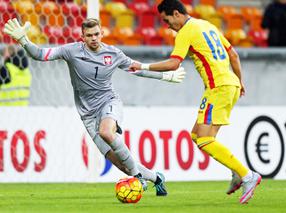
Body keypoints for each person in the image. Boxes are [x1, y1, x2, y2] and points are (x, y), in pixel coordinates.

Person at [3, 18, 186, 196]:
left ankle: (138, 178)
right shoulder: (71, 51)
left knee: (107, 132)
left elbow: (137, 69)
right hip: (87, 114)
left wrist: (165, 76)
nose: (93, 38)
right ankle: (156, 178)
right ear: (82, 36)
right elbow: (40, 55)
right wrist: (23, 40)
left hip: (109, 102)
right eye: (89, 35)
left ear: (102, 34)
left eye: (97, 34)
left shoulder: (113, 53)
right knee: (122, 164)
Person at [129, 0, 261, 204]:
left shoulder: (186, 31)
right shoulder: (207, 25)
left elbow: (174, 64)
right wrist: (239, 82)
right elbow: (233, 55)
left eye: (167, 20)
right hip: (229, 84)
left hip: (218, 88)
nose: (167, 26)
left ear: (176, 14)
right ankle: (237, 172)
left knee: (204, 139)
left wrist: (143, 66)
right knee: (197, 135)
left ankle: (247, 176)